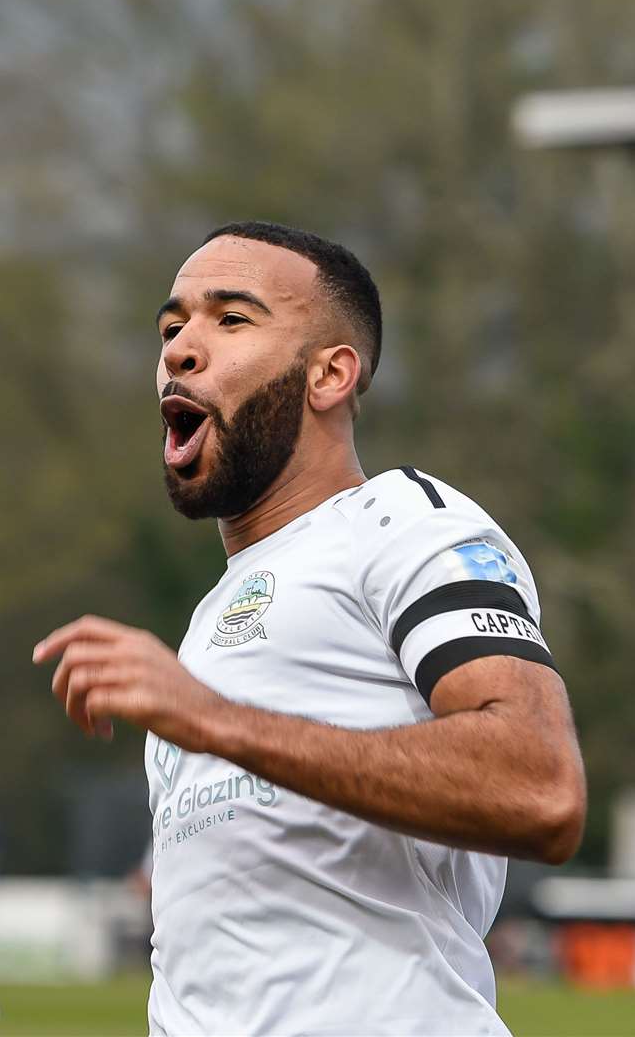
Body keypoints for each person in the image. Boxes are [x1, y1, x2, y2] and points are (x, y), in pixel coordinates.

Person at [34, 222, 586, 1036]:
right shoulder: (211, 617)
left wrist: (213, 721)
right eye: (171, 326)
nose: (182, 348)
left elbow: (541, 789)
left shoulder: (401, 521)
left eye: (230, 319)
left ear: (329, 374)